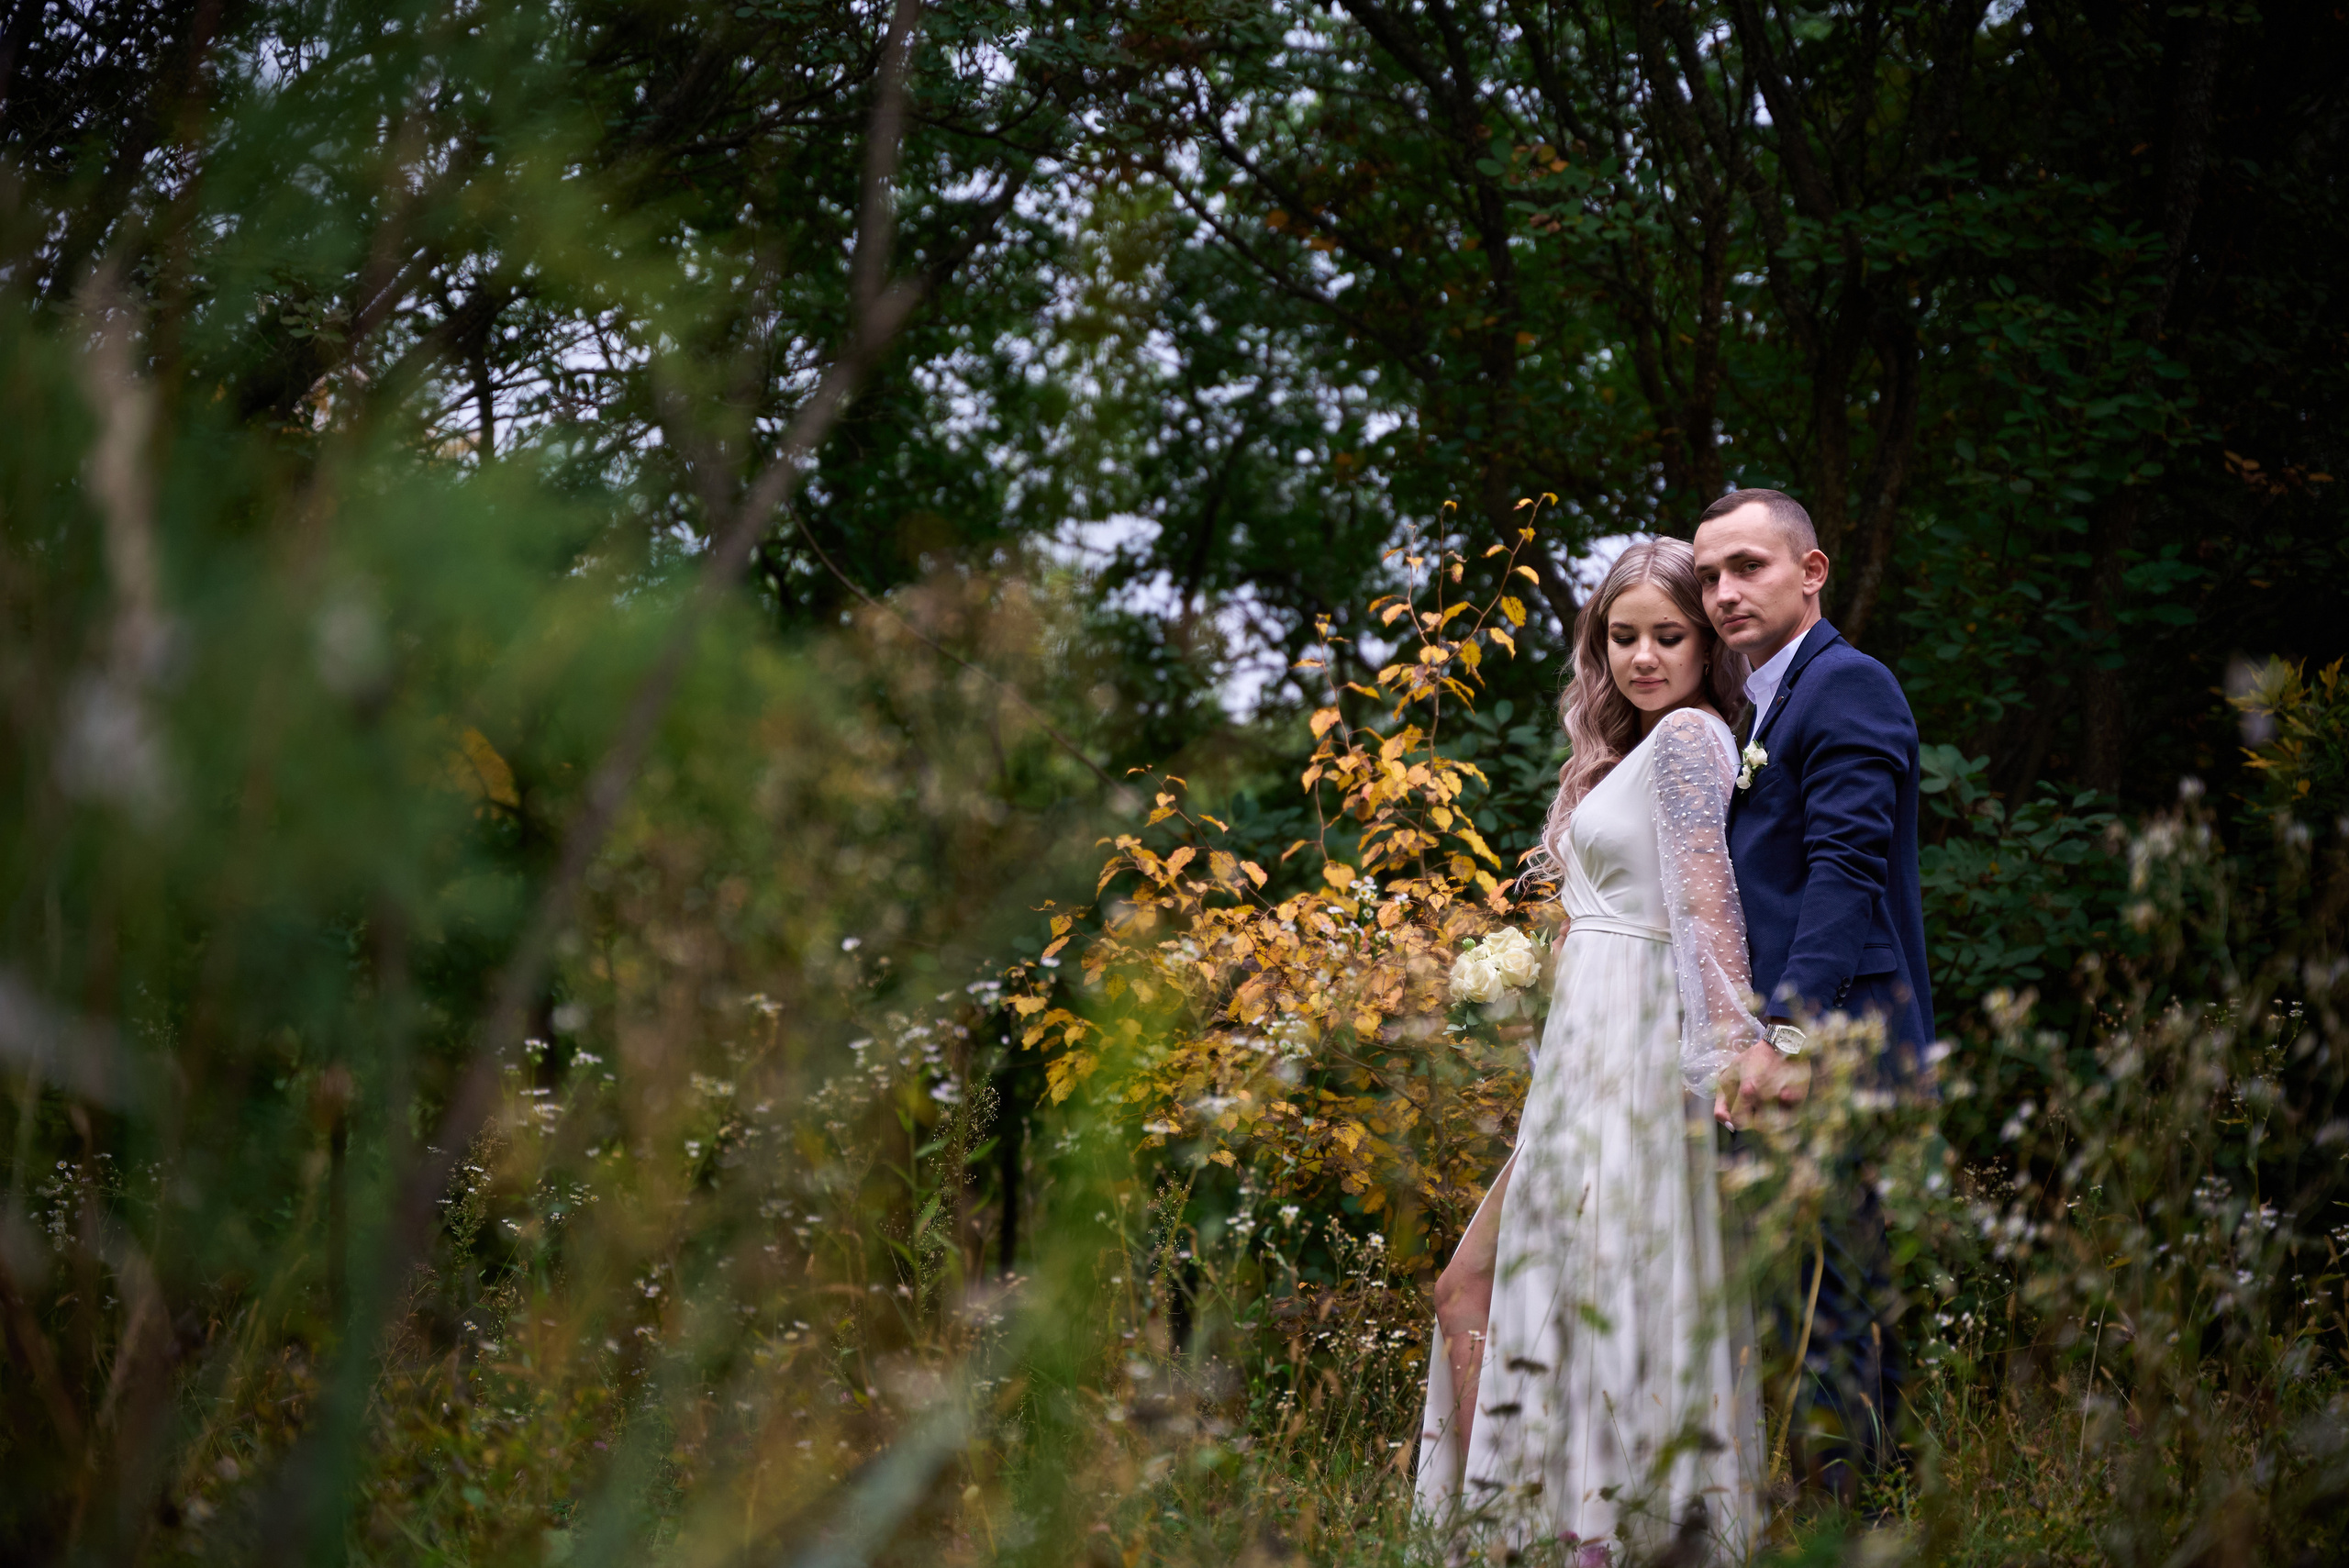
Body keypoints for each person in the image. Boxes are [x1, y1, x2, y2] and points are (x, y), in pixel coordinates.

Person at [1414, 539, 1765, 1562]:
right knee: (1469, 1290)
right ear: (1596, 644)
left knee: (1603, 1300)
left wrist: (1726, 1055)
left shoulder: (1693, 736)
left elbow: (1707, 908)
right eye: (1622, 637)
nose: (1644, 656)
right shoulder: (1626, 748)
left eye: (1669, 635)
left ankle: (1595, 1538)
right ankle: (1512, 1532)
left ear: (1706, 643)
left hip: (1638, 1058)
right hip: (1578, 1059)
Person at [1693, 487, 1935, 1503]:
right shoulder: (1771, 701)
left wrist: (1784, 1036)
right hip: (1794, 1049)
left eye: (1747, 565)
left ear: (1812, 569)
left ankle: (1862, 1522)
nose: (1721, 591)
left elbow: (1846, 868)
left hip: (1840, 1046)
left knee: (1841, 1313)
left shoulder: (1848, 685)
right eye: (1707, 574)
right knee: (1812, 1306)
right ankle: (1850, 1514)